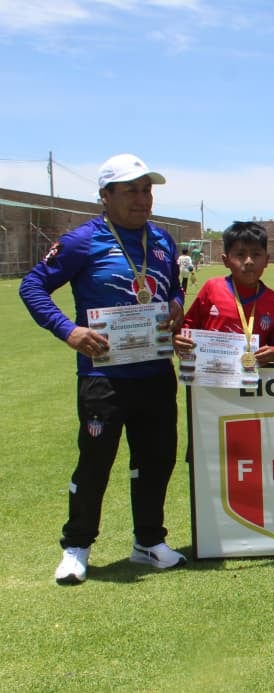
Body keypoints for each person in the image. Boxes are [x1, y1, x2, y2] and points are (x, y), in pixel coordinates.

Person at [19, 153, 187, 584]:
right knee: (96, 462)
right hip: (104, 376)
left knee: (157, 460)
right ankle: (77, 546)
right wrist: (68, 331)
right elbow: (32, 286)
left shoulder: (163, 240)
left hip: (155, 371)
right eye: (131, 191)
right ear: (105, 196)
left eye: (147, 190)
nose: (142, 199)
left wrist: (175, 305)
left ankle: (148, 542)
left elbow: (174, 290)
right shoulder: (82, 241)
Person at [174, 221, 274, 365]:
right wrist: (179, 337)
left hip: (251, 375)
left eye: (256, 254)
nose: (249, 261)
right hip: (211, 374)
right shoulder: (212, 288)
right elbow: (188, 326)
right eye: (240, 254)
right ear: (225, 260)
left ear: (266, 260)